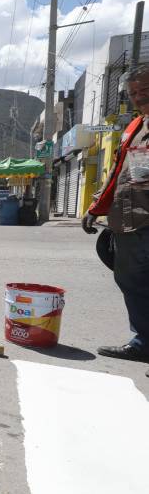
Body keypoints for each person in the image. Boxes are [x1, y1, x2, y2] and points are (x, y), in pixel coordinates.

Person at [82, 61, 149, 374]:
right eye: (134, 92)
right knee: (131, 282)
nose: (140, 96)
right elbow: (116, 174)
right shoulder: (134, 128)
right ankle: (143, 343)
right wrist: (96, 208)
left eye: (145, 89)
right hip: (128, 220)